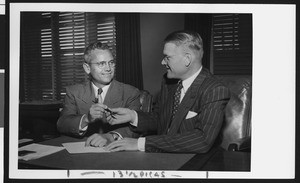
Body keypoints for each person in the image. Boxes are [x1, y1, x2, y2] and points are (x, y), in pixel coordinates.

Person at [102, 30, 231, 153]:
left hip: (199, 160)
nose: (162, 62)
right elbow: (160, 119)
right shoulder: (168, 82)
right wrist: (133, 116)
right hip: (163, 154)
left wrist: (141, 143)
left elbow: (202, 140)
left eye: (167, 57)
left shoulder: (215, 90)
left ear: (187, 59)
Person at [57, 41, 141, 146]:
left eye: (111, 62)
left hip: (116, 153)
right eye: (101, 64)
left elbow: (136, 129)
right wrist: (86, 118)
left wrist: (111, 136)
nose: (108, 69)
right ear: (87, 68)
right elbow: (62, 124)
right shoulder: (74, 92)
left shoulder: (130, 93)